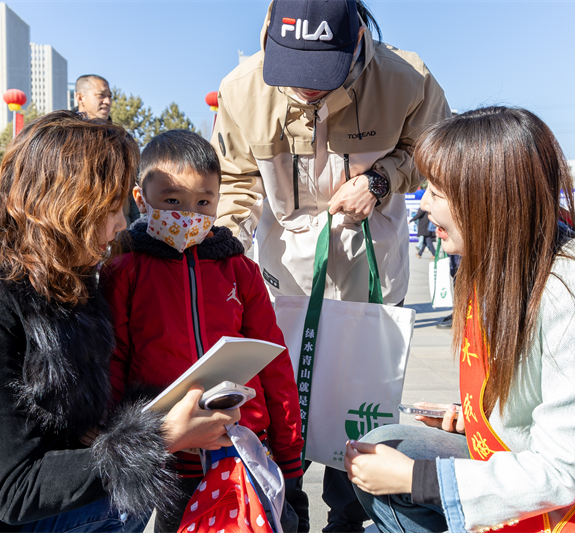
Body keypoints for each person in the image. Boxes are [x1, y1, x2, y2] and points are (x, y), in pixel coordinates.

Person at [0, 111, 241, 533]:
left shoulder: (67, 278)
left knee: (132, 494)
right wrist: (161, 438)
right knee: (125, 501)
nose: (123, 223)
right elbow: (15, 490)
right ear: (66, 206)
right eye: (109, 208)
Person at [344, 107, 575, 533]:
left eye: (438, 193)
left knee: (396, 469)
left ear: (490, 197)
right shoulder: (505, 258)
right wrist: (474, 417)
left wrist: (417, 479)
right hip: (523, 460)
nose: (423, 206)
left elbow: (566, 468)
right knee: (380, 448)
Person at [212, 1, 450, 530]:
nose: (309, 92)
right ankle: (285, 514)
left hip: (370, 270)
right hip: (285, 283)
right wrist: (226, 241)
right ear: (268, 34)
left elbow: (435, 154)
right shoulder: (240, 89)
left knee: (360, 412)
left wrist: (381, 179)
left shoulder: (406, 79)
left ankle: (350, 520)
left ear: (357, 38)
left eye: (322, 77)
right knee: (280, 410)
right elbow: (234, 184)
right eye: (295, 75)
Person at [101, 129, 305, 533]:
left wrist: (289, 450)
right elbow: (113, 363)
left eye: (203, 202)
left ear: (218, 199)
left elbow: (273, 360)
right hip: (170, 456)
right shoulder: (125, 270)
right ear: (142, 199)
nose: (188, 213)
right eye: (172, 201)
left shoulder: (240, 270)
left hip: (243, 448)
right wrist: (122, 440)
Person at [74, 74, 140, 227]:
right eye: (101, 96)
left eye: (110, 96)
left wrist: (135, 226)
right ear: (80, 97)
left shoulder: (123, 138)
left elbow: (132, 186)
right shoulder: (63, 134)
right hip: (80, 227)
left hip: (119, 230)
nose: (107, 102)